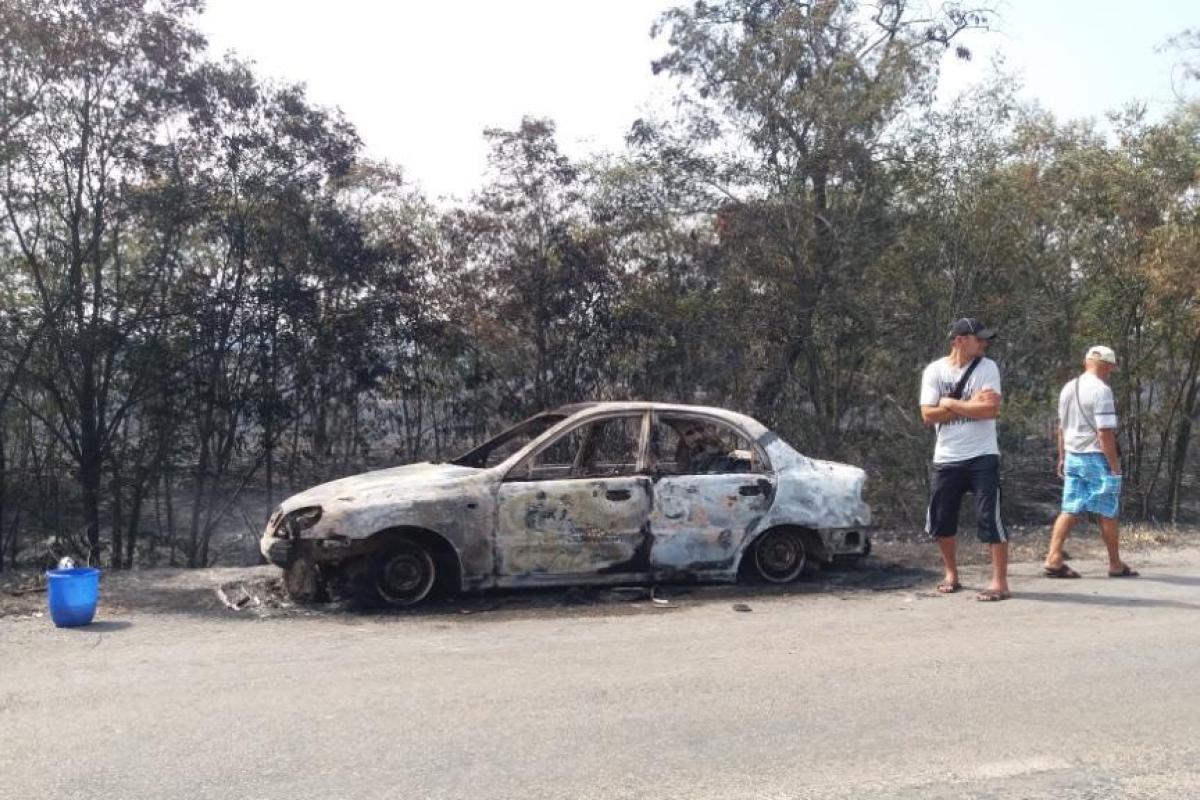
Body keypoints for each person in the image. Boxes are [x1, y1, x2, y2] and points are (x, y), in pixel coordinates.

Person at [919, 317, 1009, 601]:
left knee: (989, 517)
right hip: (947, 456)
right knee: (942, 518)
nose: (984, 343)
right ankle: (951, 574)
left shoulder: (988, 367)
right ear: (959, 340)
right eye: (978, 338)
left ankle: (999, 582)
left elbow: (990, 411)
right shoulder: (934, 371)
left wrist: (949, 403)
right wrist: (969, 406)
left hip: (983, 454)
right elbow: (927, 415)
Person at [1043, 345, 1137, 579]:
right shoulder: (1101, 391)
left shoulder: (1068, 387)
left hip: (1073, 456)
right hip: (1095, 457)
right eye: (1111, 368)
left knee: (1070, 508)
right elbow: (1104, 433)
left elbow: (1061, 427)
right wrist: (1114, 466)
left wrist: (1063, 457)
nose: (1111, 372)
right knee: (1107, 510)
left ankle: (1053, 557)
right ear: (1104, 364)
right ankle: (1115, 563)